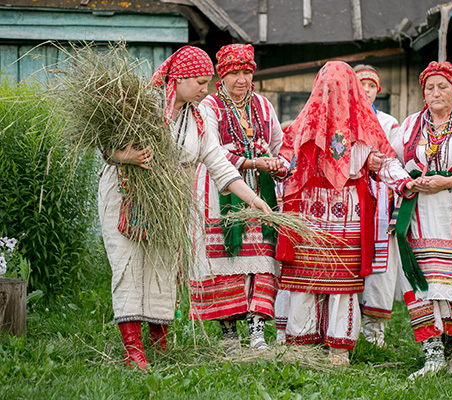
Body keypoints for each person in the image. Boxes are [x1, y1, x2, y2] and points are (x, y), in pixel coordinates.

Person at [98, 46, 271, 370]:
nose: (206, 89)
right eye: (200, 82)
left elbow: (219, 164)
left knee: (164, 268)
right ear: (178, 79)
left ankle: (159, 342)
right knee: (128, 266)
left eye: (207, 82)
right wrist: (127, 156)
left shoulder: (197, 118)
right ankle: (133, 349)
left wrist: (253, 200)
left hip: (169, 203)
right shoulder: (142, 105)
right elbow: (106, 144)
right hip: (126, 196)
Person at [377, 61, 452, 379]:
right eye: (429, 87)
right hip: (420, 215)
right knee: (424, 283)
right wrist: (406, 182)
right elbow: (388, 159)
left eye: (442, 86)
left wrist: (450, 181)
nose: (435, 92)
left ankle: (451, 353)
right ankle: (432, 355)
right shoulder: (411, 125)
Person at [276, 61, 397, 366]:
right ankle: (302, 344)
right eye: (327, 88)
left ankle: (338, 350)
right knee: (305, 275)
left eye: (339, 88)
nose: (333, 94)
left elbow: (383, 160)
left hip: (347, 213)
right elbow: (286, 161)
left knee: (342, 281)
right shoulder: (304, 123)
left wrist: (403, 180)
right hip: (310, 211)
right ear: (319, 89)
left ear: (350, 90)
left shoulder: (364, 125)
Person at [188, 44, 285, 351]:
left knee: (262, 258)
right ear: (222, 75)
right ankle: (229, 333)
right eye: (234, 73)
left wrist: (278, 165)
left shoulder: (263, 106)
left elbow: (279, 145)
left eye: (247, 72)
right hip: (220, 190)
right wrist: (252, 162)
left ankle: (257, 331)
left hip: (260, 189)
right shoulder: (209, 106)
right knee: (225, 258)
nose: (241, 79)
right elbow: (210, 150)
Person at [353, 64, 401, 347]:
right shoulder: (344, 118)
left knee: (380, 265)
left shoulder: (388, 123)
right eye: (361, 84)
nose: (366, 90)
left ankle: (374, 334)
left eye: (371, 86)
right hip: (351, 202)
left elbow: (395, 158)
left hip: (381, 204)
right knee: (351, 259)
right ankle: (347, 327)